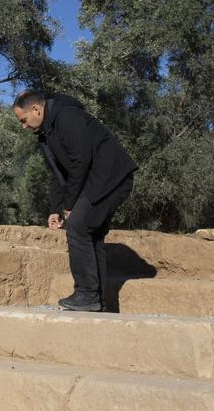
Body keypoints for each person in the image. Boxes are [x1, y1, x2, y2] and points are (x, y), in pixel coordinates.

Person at [12, 90, 136, 312]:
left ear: (36, 110)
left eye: (24, 120)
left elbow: (81, 160)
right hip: (96, 181)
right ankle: (98, 302)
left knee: (77, 226)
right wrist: (55, 209)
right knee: (91, 234)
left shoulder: (67, 115)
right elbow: (58, 174)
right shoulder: (45, 134)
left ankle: (87, 294)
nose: (23, 126)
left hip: (112, 177)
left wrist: (69, 205)